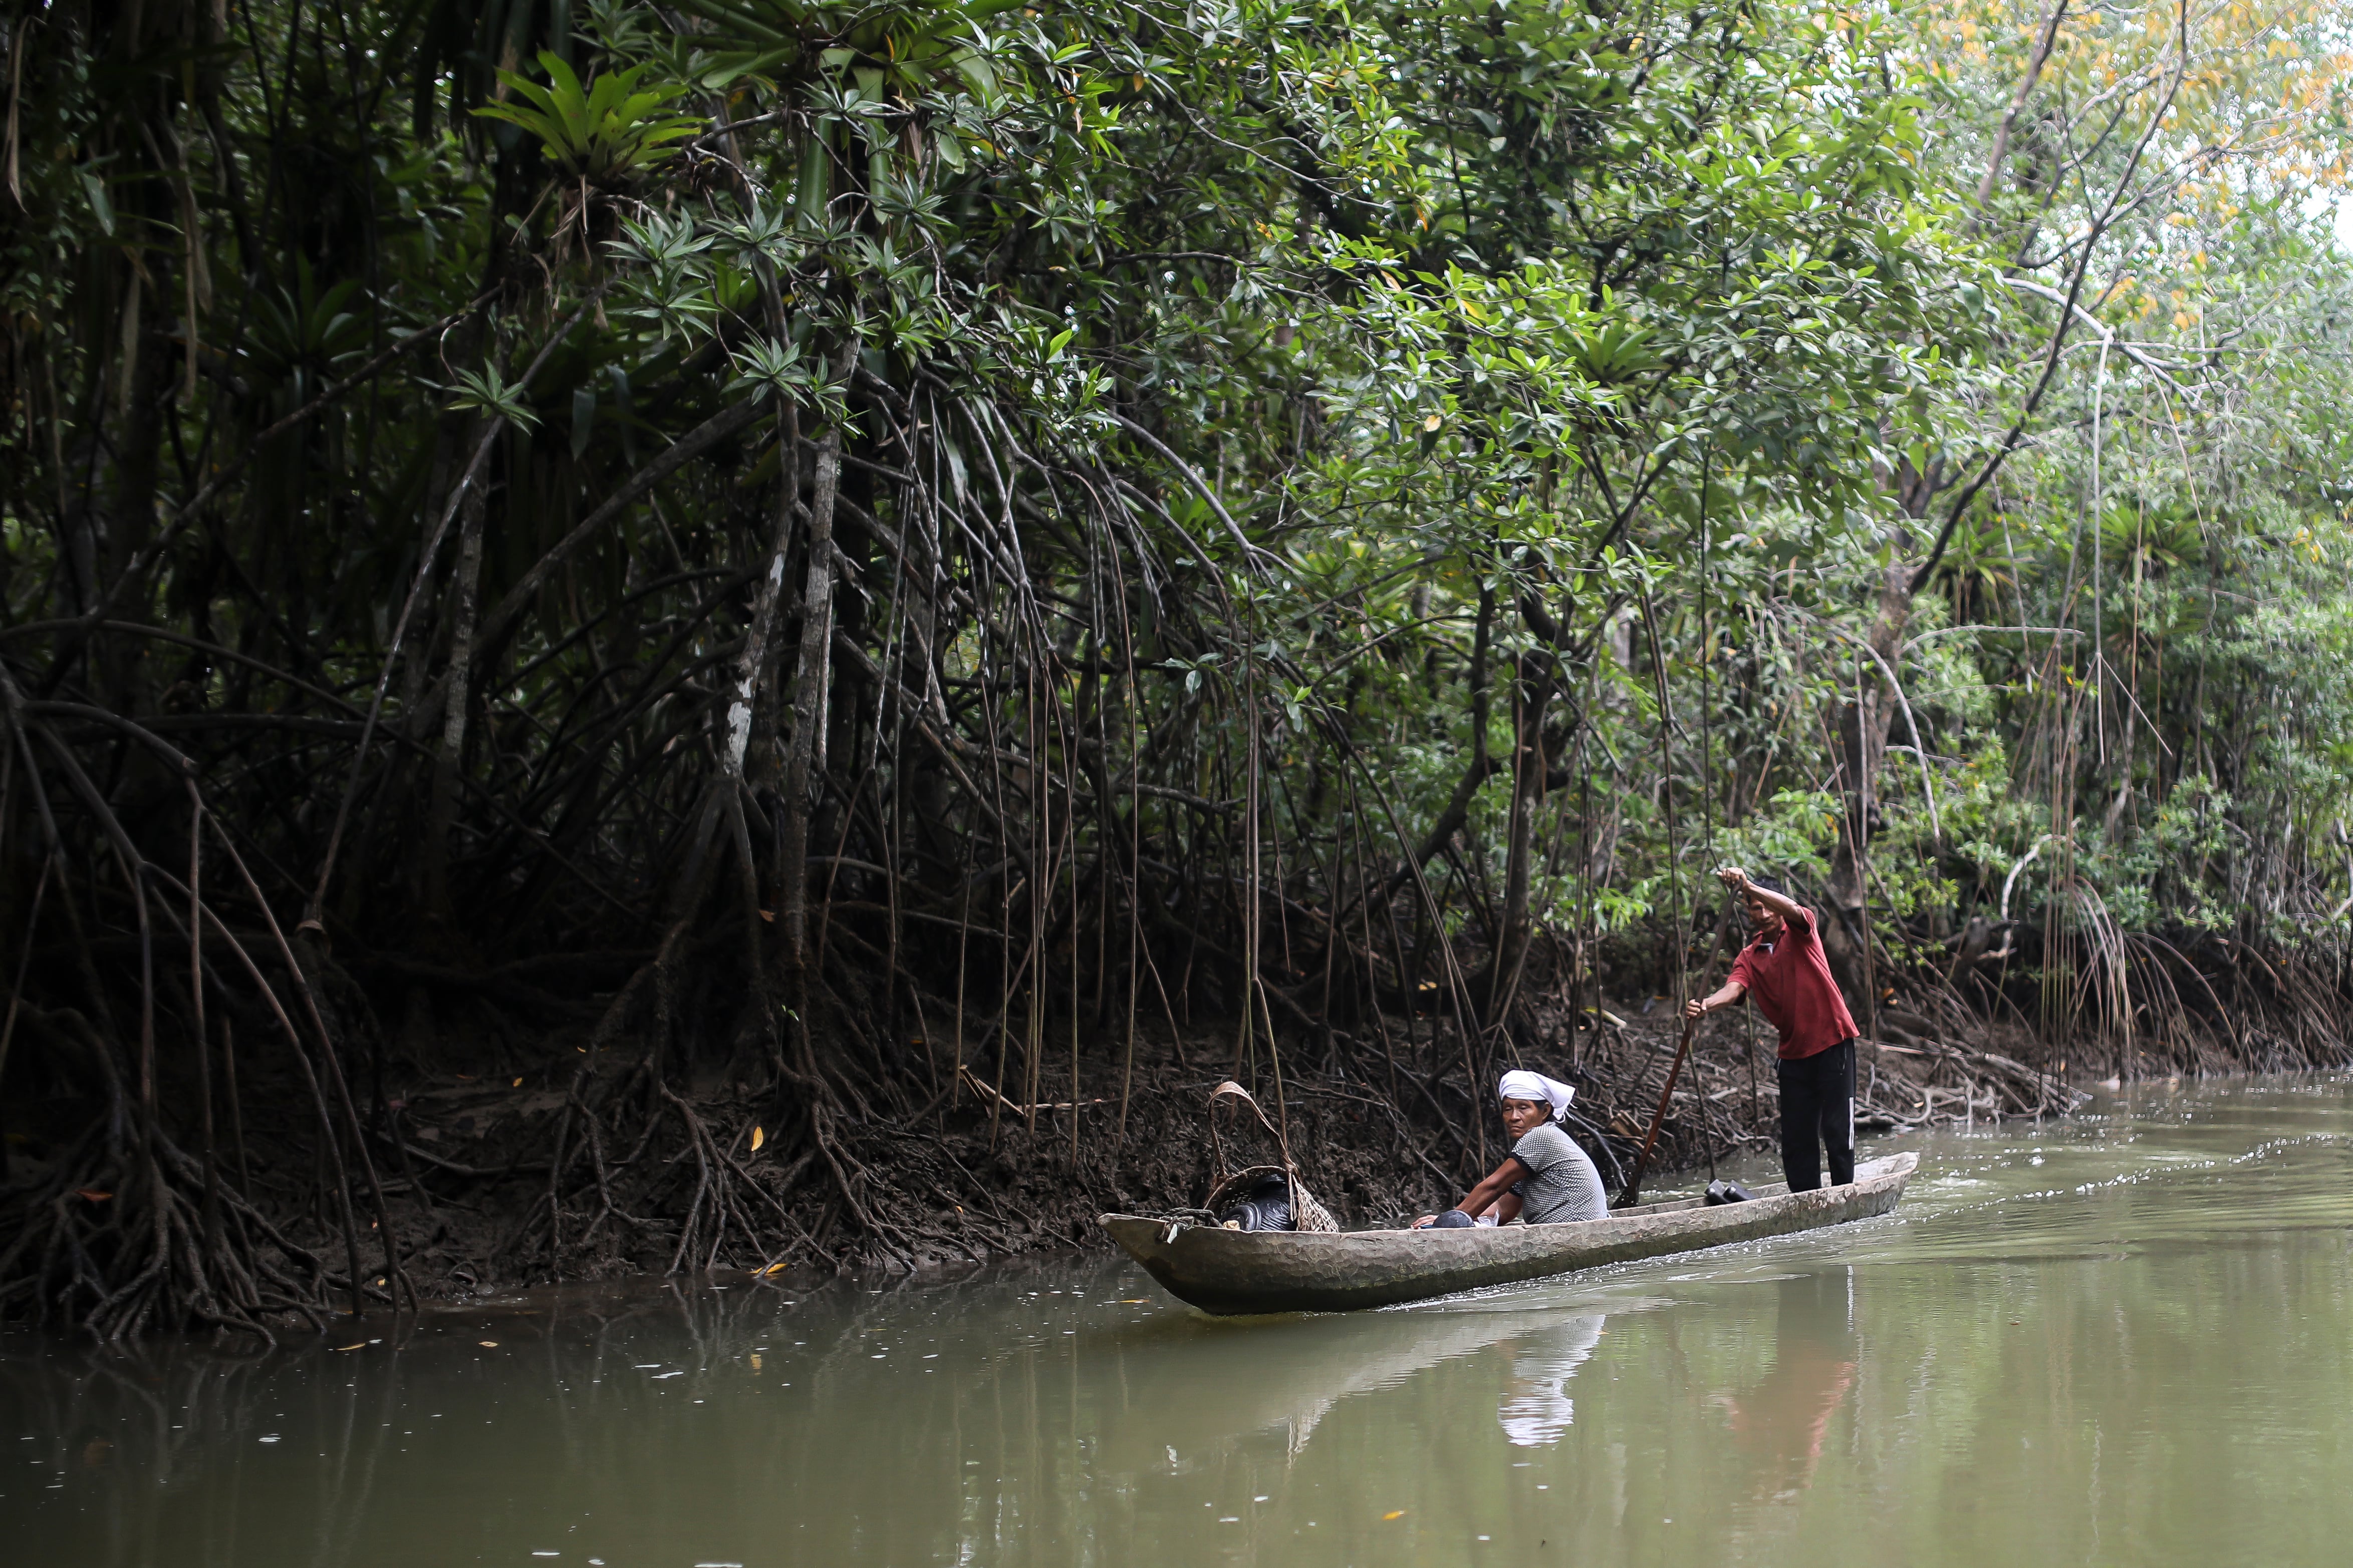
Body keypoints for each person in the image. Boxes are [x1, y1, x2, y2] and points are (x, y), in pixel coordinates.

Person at [1684, 866, 1860, 1191]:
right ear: (1747, 911)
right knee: (1796, 1137)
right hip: (1793, 1053)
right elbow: (1735, 989)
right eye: (1755, 908)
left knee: (1838, 1129)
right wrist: (1706, 1004)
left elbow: (1793, 909)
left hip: (1833, 1041)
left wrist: (1747, 885)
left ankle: (1844, 1195)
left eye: (1767, 906)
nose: (1763, 914)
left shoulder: (1801, 930)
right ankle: (1804, 1200)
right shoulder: (1749, 956)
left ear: (1777, 905)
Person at [1411, 1070, 1609, 1229]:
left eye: (1523, 1108)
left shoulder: (1541, 1136)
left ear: (1545, 1111)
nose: (1514, 1117)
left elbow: (1495, 1186)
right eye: (1508, 1109)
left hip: (1572, 1229)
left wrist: (1449, 1221)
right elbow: (1504, 1208)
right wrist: (1454, 1218)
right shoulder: (1539, 1145)